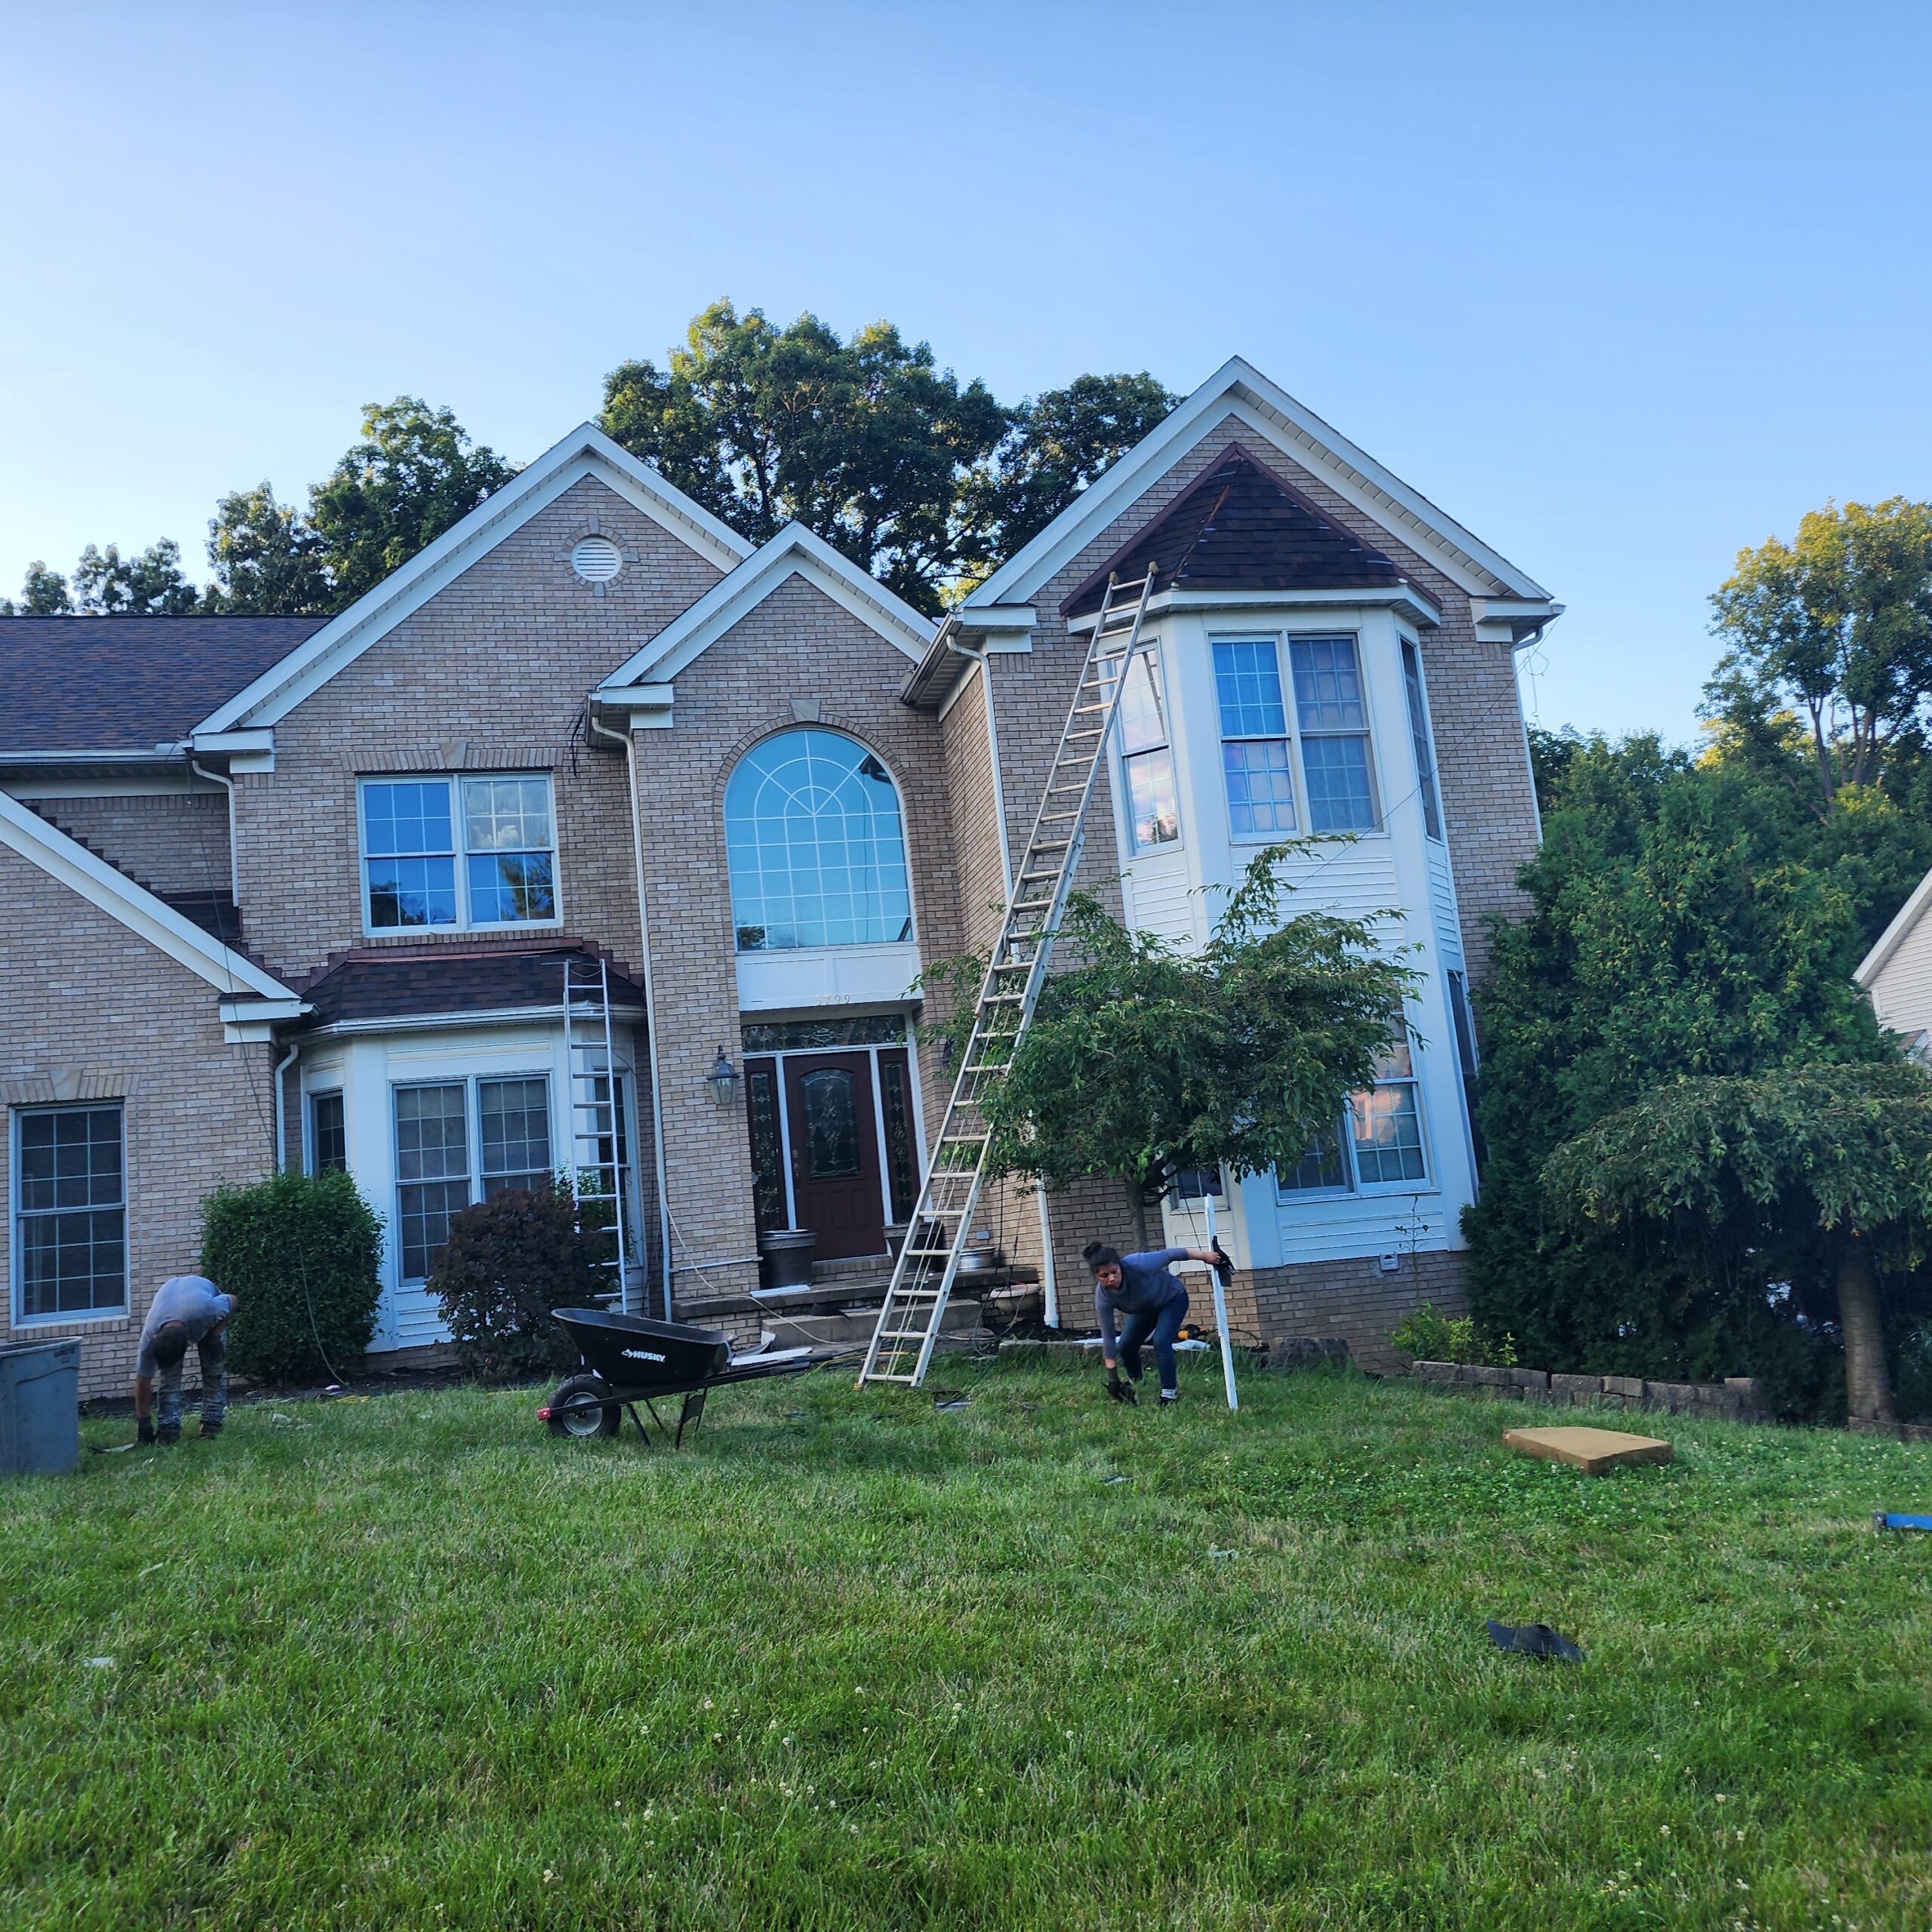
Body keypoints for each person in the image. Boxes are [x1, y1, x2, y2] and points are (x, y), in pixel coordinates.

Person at [1084, 1239, 1228, 1407]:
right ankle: (1137, 1382)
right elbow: (1108, 1338)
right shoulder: (1103, 1298)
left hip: (1172, 1299)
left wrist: (1205, 1256)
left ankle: (1169, 1393)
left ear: (1120, 1265)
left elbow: (1172, 1254)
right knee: (1125, 1346)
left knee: (1161, 1341)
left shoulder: (1138, 1264)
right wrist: (1113, 1379)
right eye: (1104, 1276)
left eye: (1115, 1271)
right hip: (1144, 1311)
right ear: (1096, 1277)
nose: (1112, 1278)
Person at [134, 1275, 237, 1444]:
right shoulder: (150, 1336)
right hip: (176, 1306)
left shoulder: (208, 1310)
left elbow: (232, 1301)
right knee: (169, 1378)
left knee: (213, 1370)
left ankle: (212, 1424)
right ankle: (168, 1430)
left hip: (204, 1308)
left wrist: (216, 1334)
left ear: (189, 1343)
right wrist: (143, 1423)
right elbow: (142, 1380)